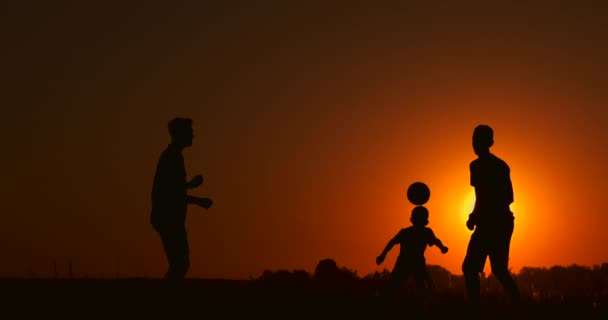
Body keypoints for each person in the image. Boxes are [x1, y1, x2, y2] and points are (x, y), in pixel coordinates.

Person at [462, 124, 522, 313]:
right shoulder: (479, 165)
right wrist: (475, 215)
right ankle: (476, 308)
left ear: (490, 142)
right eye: (473, 140)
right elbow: (481, 196)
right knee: (478, 268)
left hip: (498, 223)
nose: (475, 144)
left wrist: (477, 215)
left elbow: (506, 197)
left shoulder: (493, 166)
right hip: (493, 222)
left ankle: (516, 308)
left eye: (478, 140)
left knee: (489, 269)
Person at [151, 117, 213, 288]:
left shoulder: (172, 156)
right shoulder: (172, 158)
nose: (193, 135)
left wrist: (190, 185)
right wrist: (199, 201)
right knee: (180, 264)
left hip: (169, 218)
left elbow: (172, 188)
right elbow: (172, 194)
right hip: (168, 218)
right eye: (190, 132)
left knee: (180, 264)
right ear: (180, 134)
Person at [376, 206, 448, 303]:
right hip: (409, 262)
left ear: (412, 219)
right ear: (425, 221)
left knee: (421, 285)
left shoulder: (411, 232)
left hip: (408, 262)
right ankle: (428, 305)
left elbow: (391, 243)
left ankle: (426, 305)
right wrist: (442, 247)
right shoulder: (422, 232)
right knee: (422, 285)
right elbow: (435, 241)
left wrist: (382, 255)